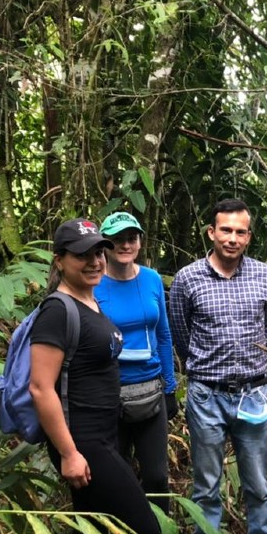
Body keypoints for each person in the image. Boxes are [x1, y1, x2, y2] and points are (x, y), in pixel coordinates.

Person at [28, 218, 161, 534]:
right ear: (59, 260)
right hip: (84, 441)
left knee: (95, 527)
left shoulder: (88, 300)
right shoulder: (58, 310)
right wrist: (69, 453)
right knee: (145, 528)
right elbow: (40, 387)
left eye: (99, 252)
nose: (95, 261)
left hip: (104, 434)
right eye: (82, 255)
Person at [169, 198, 267, 534]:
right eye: (226, 230)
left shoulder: (264, 275)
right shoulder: (188, 278)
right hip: (206, 396)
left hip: (253, 394)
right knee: (206, 487)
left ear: (249, 236)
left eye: (240, 232)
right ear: (211, 232)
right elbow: (181, 335)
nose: (232, 238)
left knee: (259, 484)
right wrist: (206, 366)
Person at [95, 211, 178, 513]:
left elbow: (164, 335)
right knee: (118, 476)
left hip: (150, 391)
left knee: (157, 478)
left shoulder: (152, 279)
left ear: (140, 242)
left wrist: (170, 387)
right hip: (109, 394)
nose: (125, 244)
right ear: (104, 244)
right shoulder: (94, 283)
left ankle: (159, 530)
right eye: (117, 239)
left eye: (131, 238)